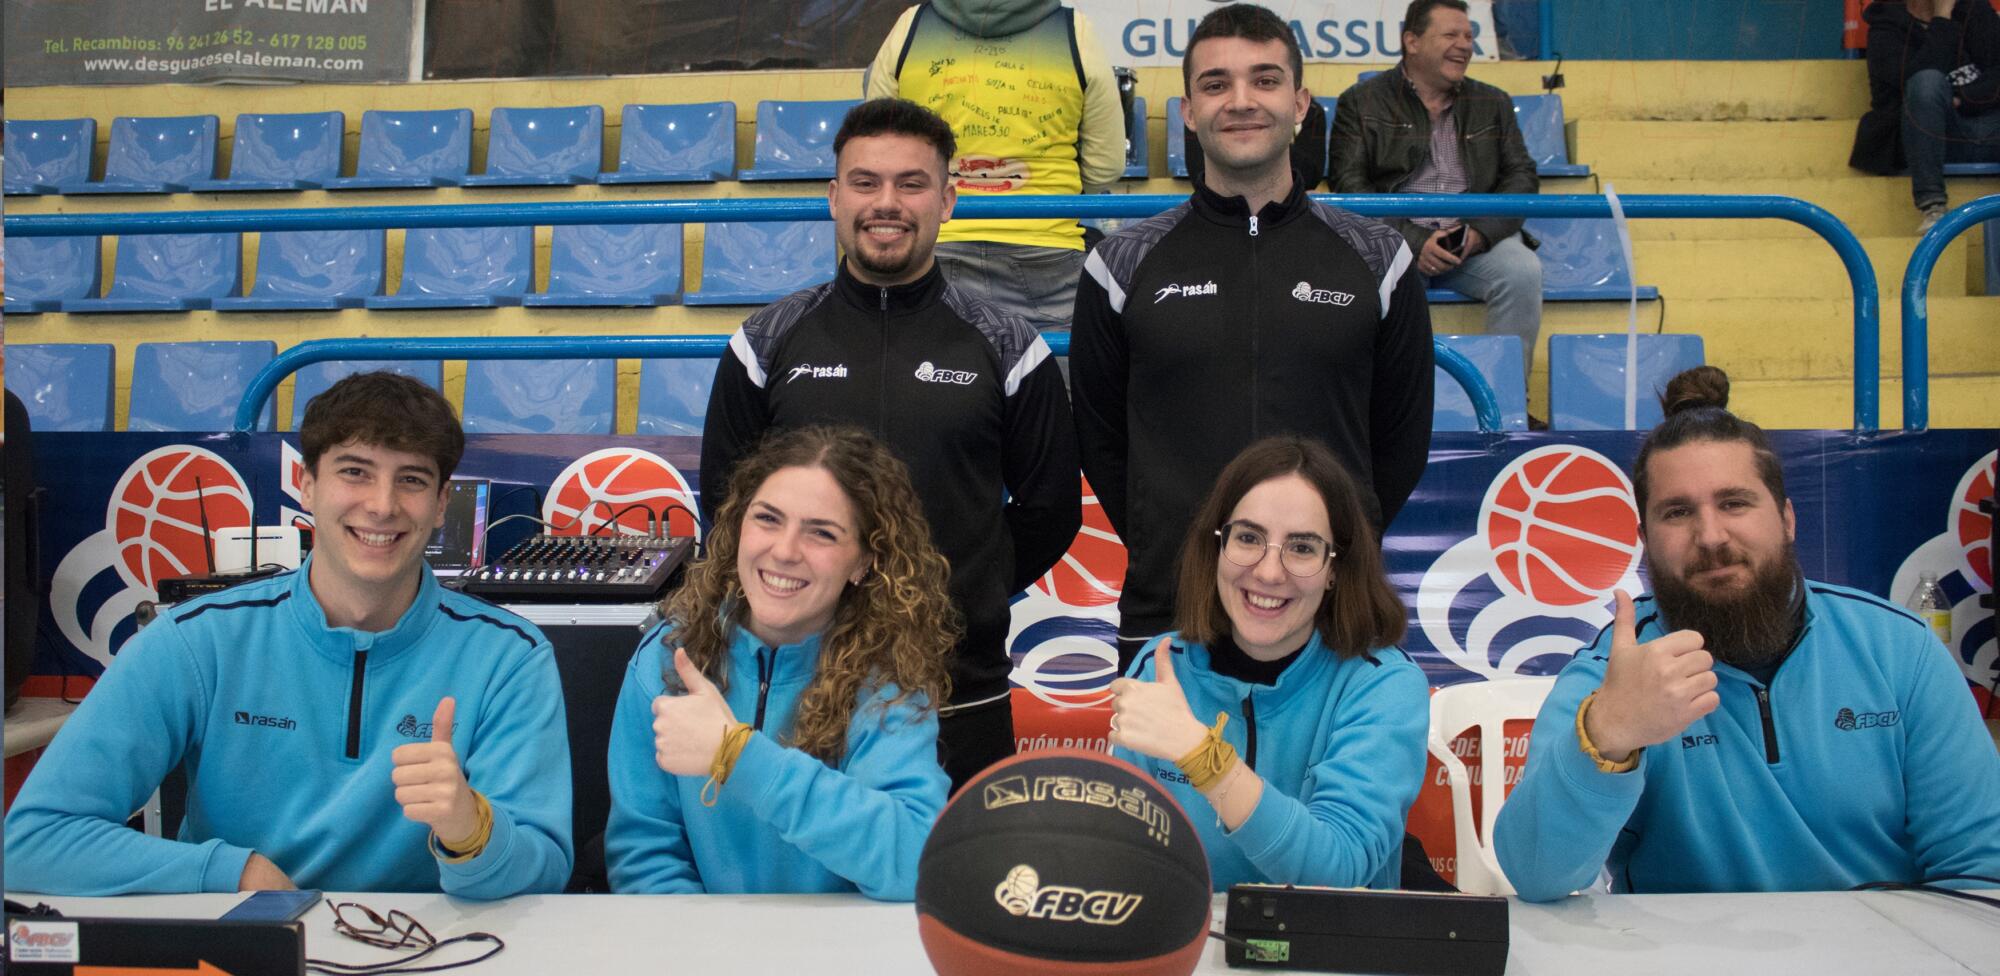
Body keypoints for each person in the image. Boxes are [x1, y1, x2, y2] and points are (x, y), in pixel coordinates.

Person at [3, 372, 573, 897]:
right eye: (355, 472)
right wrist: (234, 874)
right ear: (306, 484)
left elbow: (546, 871)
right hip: (243, 946)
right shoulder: (196, 642)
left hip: (431, 951)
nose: (382, 506)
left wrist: (471, 831)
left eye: (412, 480)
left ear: (442, 502)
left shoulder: (509, 657)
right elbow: (31, 840)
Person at [1494, 367, 2000, 902]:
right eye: (1677, 512)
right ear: (1645, 539)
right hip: (1681, 946)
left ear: (1786, 519)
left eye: (1734, 503)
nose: (1711, 536)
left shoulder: (1900, 651)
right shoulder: (1613, 674)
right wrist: (1609, 734)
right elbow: (1536, 875)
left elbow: (1982, 867)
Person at [703, 98, 1081, 790]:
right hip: (800, 686)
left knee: (954, 862)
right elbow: (725, 508)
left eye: (911, 184)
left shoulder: (1007, 346)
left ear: (947, 200)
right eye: (865, 182)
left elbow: (1051, 509)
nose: (887, 203)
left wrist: (962, 591)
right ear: (834, 198)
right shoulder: (766, 343)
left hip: (959, 688)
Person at [1070, 3, 1433, 669]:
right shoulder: (1120, 265)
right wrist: (1175, 545)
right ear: (1188, 111)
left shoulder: (1380, 259)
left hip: (1330, 613)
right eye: (1216, 85)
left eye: (1265, 80)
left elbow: (1400, 441)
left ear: (1300, 104)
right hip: (1170, 612)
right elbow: (1102, 440)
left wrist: (1329, 549)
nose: (1241, 101)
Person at [607, 426, 955, 899]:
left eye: (822, 533)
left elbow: (915, 858)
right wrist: (702, 940)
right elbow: (643, 855)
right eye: (768, 519)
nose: (786, 551)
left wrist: (738, 756)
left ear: (862, 562)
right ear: (738, 527)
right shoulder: (667, 659)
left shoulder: (887, 682)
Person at [1108, 437, 1428, 890]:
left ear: (1335, 569)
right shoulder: (1161, 665)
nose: (1269, 572)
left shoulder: (1384, 685)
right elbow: (1123, 855)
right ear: (1217, 546)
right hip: (1193, 932)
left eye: (1302, 548)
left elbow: (1339, 870)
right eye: (1248, 538)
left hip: (1328, 935)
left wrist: (1203, 758)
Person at [865, 0, 1126, 332]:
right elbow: (1106, 166)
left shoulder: (910, 27)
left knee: (935, 364)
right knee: (1049, 366)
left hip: (933, 248)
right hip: (1047, 252)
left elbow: (877, 154)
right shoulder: (1075, 31)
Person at [1329, 0, 1542, 376]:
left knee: (1522, 272)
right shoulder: (1361, 101)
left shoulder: (1493, 102)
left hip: (1470, 238)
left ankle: (1506, 397)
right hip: (1393, 238)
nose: (1464, 45)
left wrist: (1477, 233)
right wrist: (1414, 241)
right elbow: (1349, 184)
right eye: (1451, 35)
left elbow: (1521, 177)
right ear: (1412, 41)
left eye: (1469, 36)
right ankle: (1377, 401)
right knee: (1354, 278)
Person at [1852, 0, 2000, 231]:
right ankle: (1933, 207)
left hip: (1990, 127)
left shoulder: (1974, 10)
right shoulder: (1886, 29)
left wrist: (1963, 98)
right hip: (1931, 139)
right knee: (1926, 81)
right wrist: (1942, 19)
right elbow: (1911, 86)